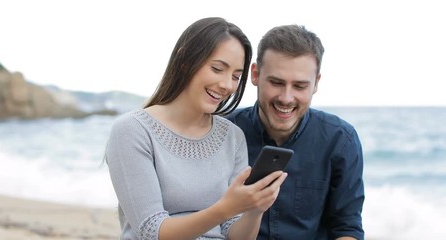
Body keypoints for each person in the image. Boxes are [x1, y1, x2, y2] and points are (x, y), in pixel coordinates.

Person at [105, 17, 288, 240]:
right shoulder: (133, 130)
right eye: (217, 68)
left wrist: (254, 209)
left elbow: (237, 235)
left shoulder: (232, 137)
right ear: (185, 59)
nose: (227, 85)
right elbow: (152, 232)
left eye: (236, 76)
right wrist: (224, 209)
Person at [226, 24, 365, 239]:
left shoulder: (341, 140)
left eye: (299, 86)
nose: (286, 98)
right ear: (255, 74)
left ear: (316, 83)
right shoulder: (223, 132)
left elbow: (347, 227)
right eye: (276, 82)